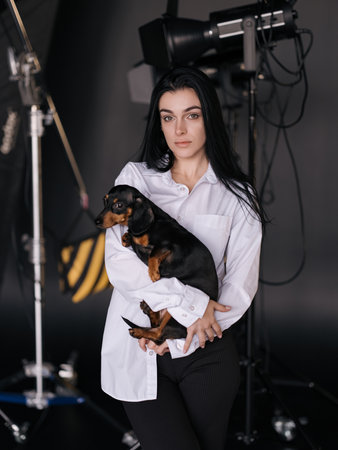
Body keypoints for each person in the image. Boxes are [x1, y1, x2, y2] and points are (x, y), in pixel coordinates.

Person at [101, 66, 264, 450]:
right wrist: (188, 310)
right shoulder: (136, 179)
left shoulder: (238, 196)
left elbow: (239, 287)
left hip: (206, 350)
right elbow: (122, 267)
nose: (180, 130)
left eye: (192, 115)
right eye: (168, 117)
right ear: (159, 124)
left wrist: (182, 331)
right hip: (141, 348)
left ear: (210, 118)